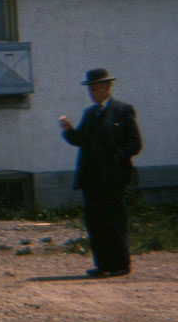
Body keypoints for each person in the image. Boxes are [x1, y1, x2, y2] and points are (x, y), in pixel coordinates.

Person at [59, 68, 142, 278]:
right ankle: (103, 264)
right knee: (96, 222)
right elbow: (81, 140)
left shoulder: (123, 111)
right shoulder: (90, 113)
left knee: (114, 220)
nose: (92, 93)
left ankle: (121, 264)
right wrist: (68, 130)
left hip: (113, 178)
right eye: (90, 89)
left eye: (95, 88)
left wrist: (117, 159)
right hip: (91, 178)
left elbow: (135, 143)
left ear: (107, 87)